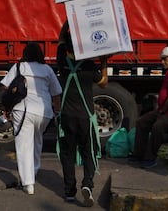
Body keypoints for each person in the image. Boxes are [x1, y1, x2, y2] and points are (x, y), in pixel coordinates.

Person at [56, 20, 108, 207]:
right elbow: (103, 83)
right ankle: (87, 184)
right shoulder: (89, 66)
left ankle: (69, 191)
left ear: (67, 48)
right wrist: (103, 61)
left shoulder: (62, 61)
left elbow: (61, 38)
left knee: (67, 154)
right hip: (85, 117)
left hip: (67, 117)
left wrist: (69, 19)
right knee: (89, 152)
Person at [0, 43, 62, 195]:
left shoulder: (19, 67)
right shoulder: (47, 69)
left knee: (23, 145)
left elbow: (5, 86)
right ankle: (34, 170)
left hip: (23, 110)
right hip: (44, 111)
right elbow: (56, 93)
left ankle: (28, 183)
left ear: (25, 53)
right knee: (37, 140)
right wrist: (57, 111)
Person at [129, 46, 168, 169]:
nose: (162, 62)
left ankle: (150, 157)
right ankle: (138, 154)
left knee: (158, 126)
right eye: (162, 59)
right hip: (165, 109)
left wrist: (162, 111)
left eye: (165, 59)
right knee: (141, 122)